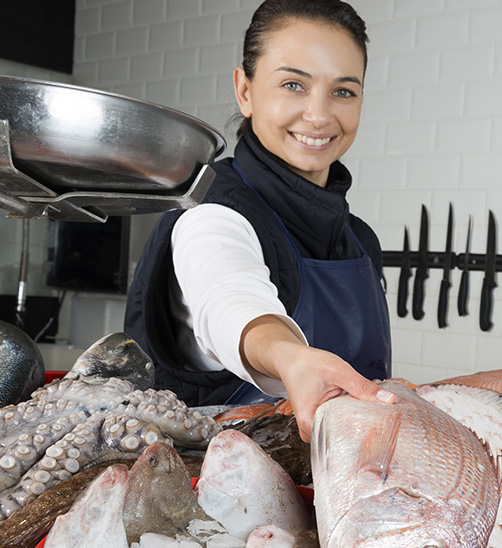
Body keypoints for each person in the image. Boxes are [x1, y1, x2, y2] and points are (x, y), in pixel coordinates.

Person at [125, 0, 393, 442]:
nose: (320, 115)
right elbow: (229, 301)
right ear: (244, 91)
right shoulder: (211, 215)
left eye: (344, 91)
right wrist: (290, 358)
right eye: (293, 84)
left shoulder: (359, 240)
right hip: (215, 501)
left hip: (343, 491)